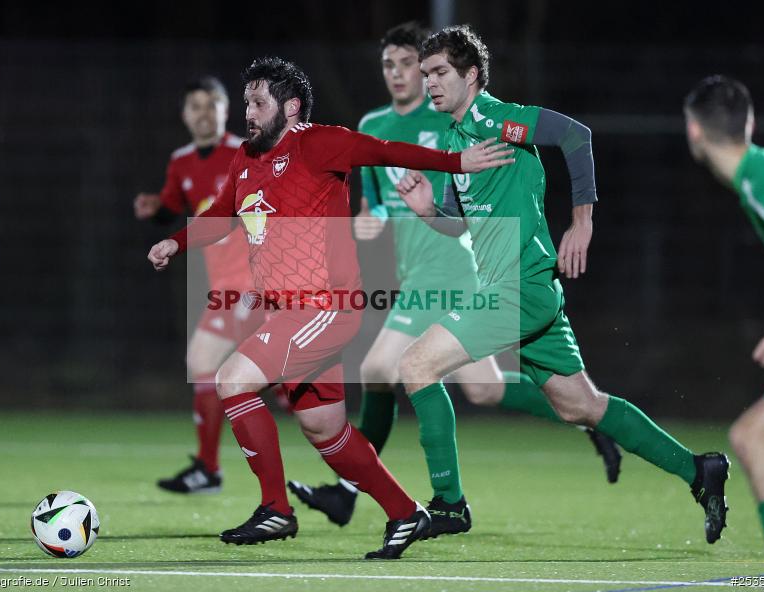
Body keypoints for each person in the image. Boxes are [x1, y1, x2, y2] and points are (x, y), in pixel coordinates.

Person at [147, 56, 512, 559]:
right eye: (247, 102)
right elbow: (223, 217)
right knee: (325, 429)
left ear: (291, 108)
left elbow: (385, 151)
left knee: (233, 380)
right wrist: (177, 243)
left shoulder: (317, 143)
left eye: (258, 103)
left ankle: (275, 509)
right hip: (290, 313)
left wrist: (457, 162)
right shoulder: (247, 160)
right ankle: (406, 513)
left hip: (324, 307)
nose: (248, 113)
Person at [394, 25, 729, 545]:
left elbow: (576, 136)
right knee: (580, 406)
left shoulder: (496, 118)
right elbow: (464, 221)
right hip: (524, 289)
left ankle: (450, 505)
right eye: (426, 74)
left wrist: (582, 221)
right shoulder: (454, 138)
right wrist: (428, 213)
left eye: (440, 73)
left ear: (471, 75)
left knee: (416, 365)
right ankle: (700, 470)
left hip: (518, 286)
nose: (429, 83)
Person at [288, 21, 621, 537]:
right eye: (390, 65)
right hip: (413, 266)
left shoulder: (451, 115)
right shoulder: (373, 122)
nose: (402, 75)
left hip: (451, 265)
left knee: (384, 366)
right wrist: (367, 217)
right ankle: (587, 418)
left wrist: (576, 217)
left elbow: (519, 162)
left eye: (413, 66)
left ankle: (363, 491)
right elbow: (378, 200)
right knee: (485, 389)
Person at [686, 75, 764, 592]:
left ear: (693, 130)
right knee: (758, 435)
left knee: (755, 437)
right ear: (748, 123)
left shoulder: (763, 180)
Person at [134, 76, 255, 495]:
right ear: (185, 114)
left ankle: (349, 469)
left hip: (255, 280)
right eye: (195, 106)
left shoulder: (246, 152)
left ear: (225, 110)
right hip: (225, 285)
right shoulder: (181, 161)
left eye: (211, 105)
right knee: (213, 363)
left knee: (265, 376)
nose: (203, 113)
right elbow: (173, 207)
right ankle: (208, 469)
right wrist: (155, 211)